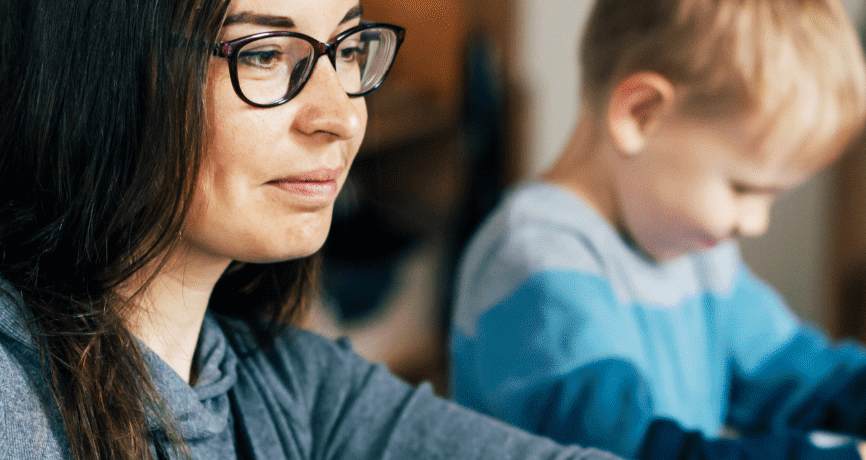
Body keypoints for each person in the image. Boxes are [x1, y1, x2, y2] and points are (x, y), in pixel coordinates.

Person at [0, 0, 625, 459]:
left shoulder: (287, 385)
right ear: (96, 75)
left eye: (348, 50)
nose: (343, 117)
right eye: (266, 54)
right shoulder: (16, 405)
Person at [449, 1, 866, 459]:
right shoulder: (535, 261)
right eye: (744, 188)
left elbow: (816, 384)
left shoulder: (687, 247)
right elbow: (639, 454)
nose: (755, 222)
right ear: (640, 114)